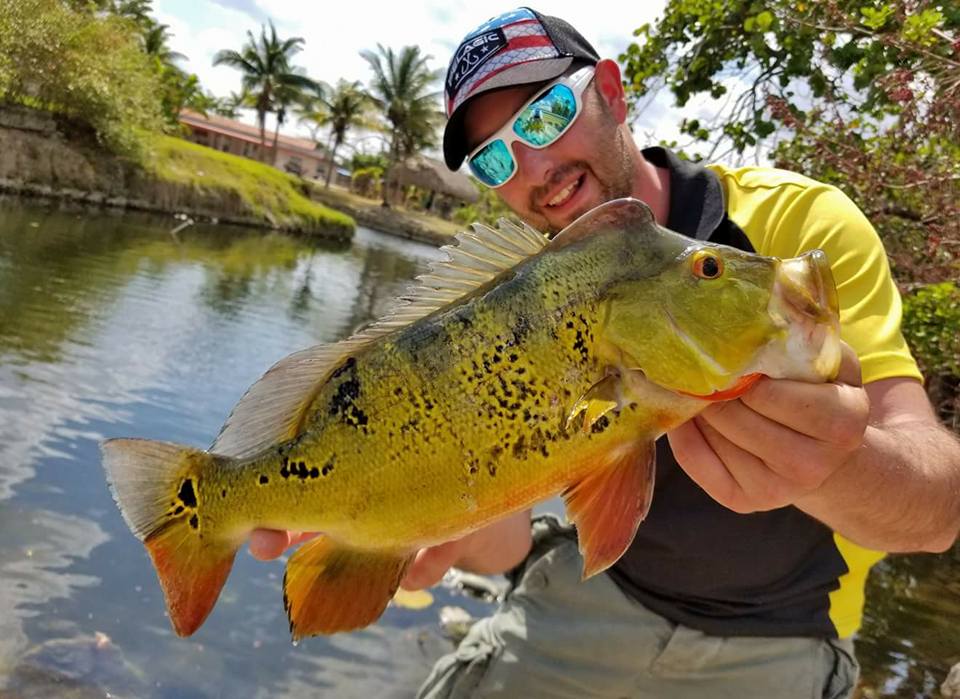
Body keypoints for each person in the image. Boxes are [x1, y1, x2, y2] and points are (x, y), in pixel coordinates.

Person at [250, 8, 960, 697]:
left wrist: (837, 462)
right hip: (590, 600)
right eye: (495, 156)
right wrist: (433, 528)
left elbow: (939, 510)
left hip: (777, 638)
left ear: (613, 93)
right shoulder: (517, 292)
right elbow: (507, 540)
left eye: (545, 115)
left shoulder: (793, 225)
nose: (536, 165)